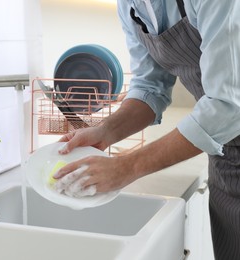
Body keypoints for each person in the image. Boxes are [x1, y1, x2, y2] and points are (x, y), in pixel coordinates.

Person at [52, 0, 240, 259]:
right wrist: (105, 130)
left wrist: (126, 167)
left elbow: (226, 106)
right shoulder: (130, 6)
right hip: (226, 155)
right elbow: (150, 87)